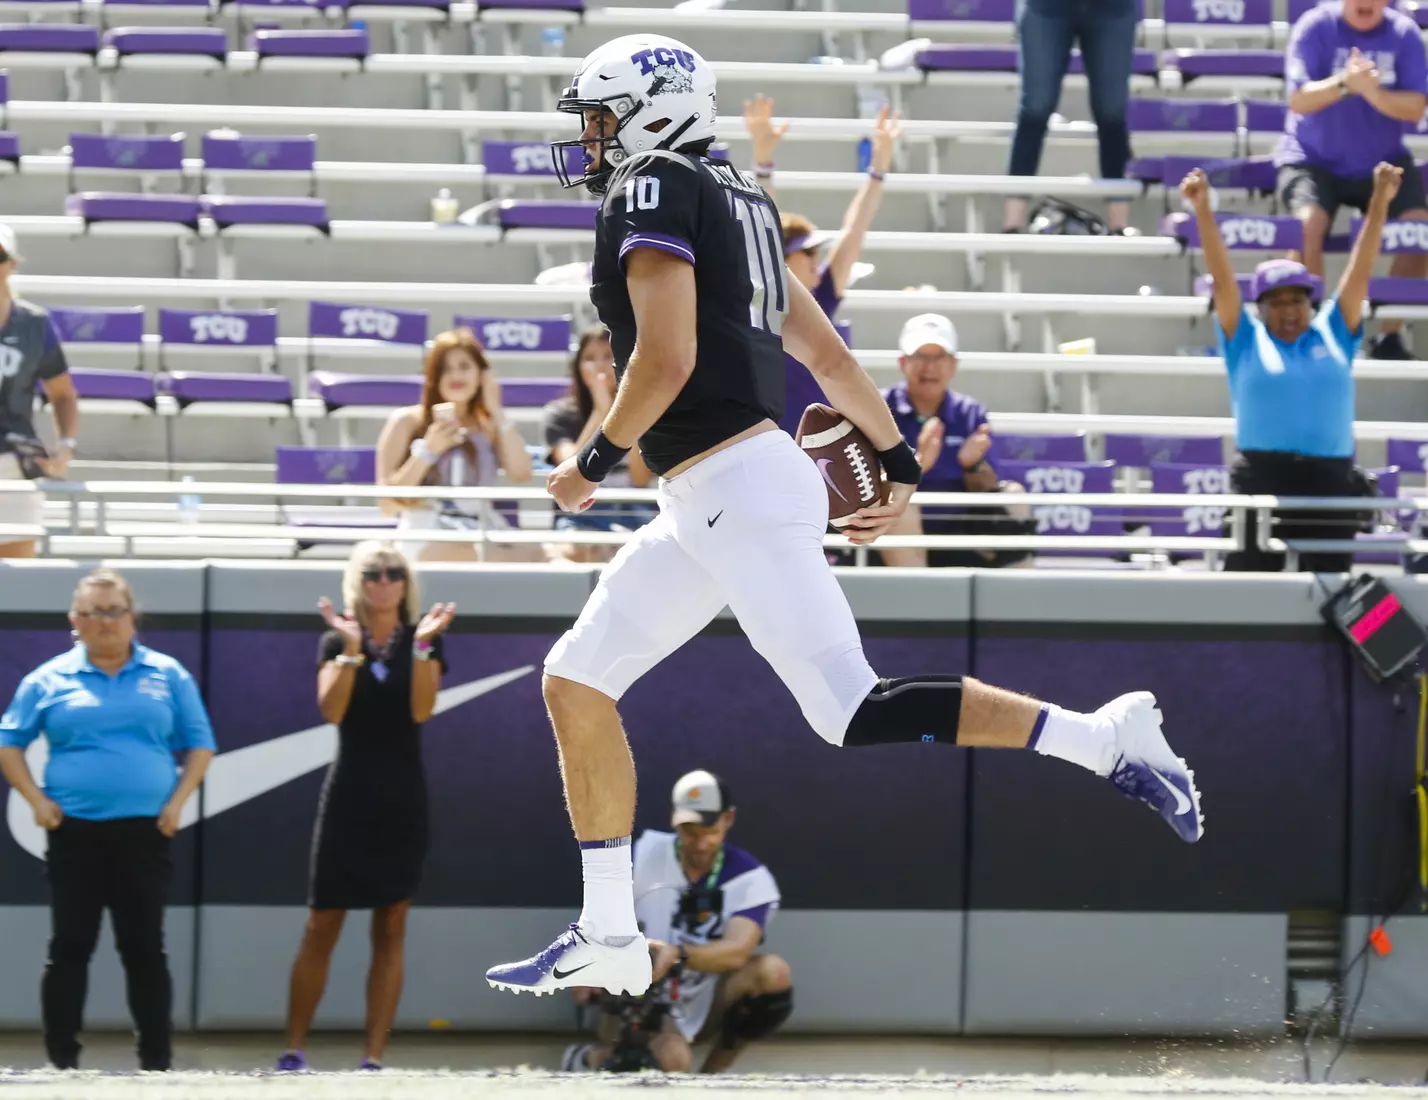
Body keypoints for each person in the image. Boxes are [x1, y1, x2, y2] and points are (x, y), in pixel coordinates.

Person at [487, 32, 1203, 1000]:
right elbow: (824, 357)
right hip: (714, 493)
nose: (594, 138)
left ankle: (1102, 735)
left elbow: (664, 360)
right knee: (575, 680)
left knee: (849, 708)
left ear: (652, 109)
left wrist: (590, 465)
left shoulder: (653, 186)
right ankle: (610, 929)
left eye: (603, 115)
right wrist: (897, 456)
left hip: (733, 484)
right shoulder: (740, 199)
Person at [0, 569, 215, 1072]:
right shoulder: (48, 679)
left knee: (144, 948)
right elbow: (9, 743)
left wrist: (177, 801)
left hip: (146, 832)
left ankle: (156, 1064)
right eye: (93, 613)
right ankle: (62, 1063)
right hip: (73, 831)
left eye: (114, 611)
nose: (105, 623)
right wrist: (35, 800)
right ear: (75, 621)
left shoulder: (168, 674)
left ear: (132, 617)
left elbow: (201, 743)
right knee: (71, 946)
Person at [277, 542, 456, 1072]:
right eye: (373, 573)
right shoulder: (338, 635)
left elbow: (422, 710)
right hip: (349, 793)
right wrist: (351, 651)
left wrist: (424, 647)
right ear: (359, 581)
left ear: (406, 582)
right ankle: (293, 1052)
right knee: (321, 924)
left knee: (391, 925)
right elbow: (332, 710)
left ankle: (372, 1060)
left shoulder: (424, 638)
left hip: (402, 798)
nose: (384, 581)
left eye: (394, 572)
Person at [1182, 163, 1395, 572]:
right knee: (1248, 592)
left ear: (1309, 303)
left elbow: (1361, 267)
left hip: (1329, 480)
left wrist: (1379, 202)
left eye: (1296, 300)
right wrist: (1203, 211)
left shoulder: (1334, 329)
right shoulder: (1244, 337)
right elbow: (1224, 281)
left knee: (1333, 593)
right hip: (1263, 476)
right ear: (1260, 309)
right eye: (1276, 302)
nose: (1289, 310)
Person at [563, 770, 788, 1075]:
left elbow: (737, 951)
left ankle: (711, 1078)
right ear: (674, 821)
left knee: (772, 972)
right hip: (641, 991)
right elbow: (598, 912)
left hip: (704, 993)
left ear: (728, 819)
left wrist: (677, 954)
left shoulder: (749, 879)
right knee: (672, 1057)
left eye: (708, 830)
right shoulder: (642, 852)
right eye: (690, 831)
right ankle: (590, 1059)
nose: (699, 842)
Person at [1276, 0, 1428, 360]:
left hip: (1383, 161)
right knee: (1307, 226)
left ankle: (1389, 335)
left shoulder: (1404, 33)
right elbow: (1298, 99)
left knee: (1419, 229)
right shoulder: (1314, 27)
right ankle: (1307, 336)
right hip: (1313, 159)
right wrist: (1345, 83)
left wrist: (1372, 91)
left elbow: (1416, 106)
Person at [743, 94, 901, 437]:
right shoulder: (759, 300)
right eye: (807, 253)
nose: (817, 261)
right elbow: (761, 225)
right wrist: (764, 161)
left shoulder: (823, 296)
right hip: (769, 445)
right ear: (781, 259)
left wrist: (878, 169)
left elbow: (854, 230)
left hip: (825, 447)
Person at [878, 314, 1032, 570]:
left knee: (1014, 497)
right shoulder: (879, 408)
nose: (930, 367)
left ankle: (1019, 603)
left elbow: (989, 488)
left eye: (939, 357)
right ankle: (914, 605)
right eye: (920, 357)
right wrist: (917, 465)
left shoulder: (970, 413)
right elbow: (865, 482)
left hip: (961, 528)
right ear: (902, 362)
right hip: (896, 528)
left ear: (953, 364)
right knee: (900, 509)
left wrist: (971, 465)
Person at [376, 327, 535, 562]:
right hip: (428, 531)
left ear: (481, 374)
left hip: (483, 529)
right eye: (446, 369)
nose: (455, 376)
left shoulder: (489, 426)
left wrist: (496, 409)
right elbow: (387, 505)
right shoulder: (407, 421)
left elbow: (522, 473)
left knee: (543, 554)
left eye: (464, 366)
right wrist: (428, 451)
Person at [1002, 0, 1137, 235]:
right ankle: (1013, 222)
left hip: (1114, 8)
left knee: (1111, 111)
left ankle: (1119, 224)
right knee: (1035, 108)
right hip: (1045, 7)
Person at [543, 325, 656, 562]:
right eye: (590, 358)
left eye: (607, 356)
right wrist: (601, 410)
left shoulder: (646, 410)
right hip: (583, 516)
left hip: (636, 513)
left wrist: (627, 411)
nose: (599, 366)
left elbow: (638, 477)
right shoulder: (560, 414)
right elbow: (568, 470)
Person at [0, 224, 79, 558]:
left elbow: (62, 393)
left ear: (12, 263)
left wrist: (65, 445)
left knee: (14, 579)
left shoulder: (34, 323)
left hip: (13, 460)